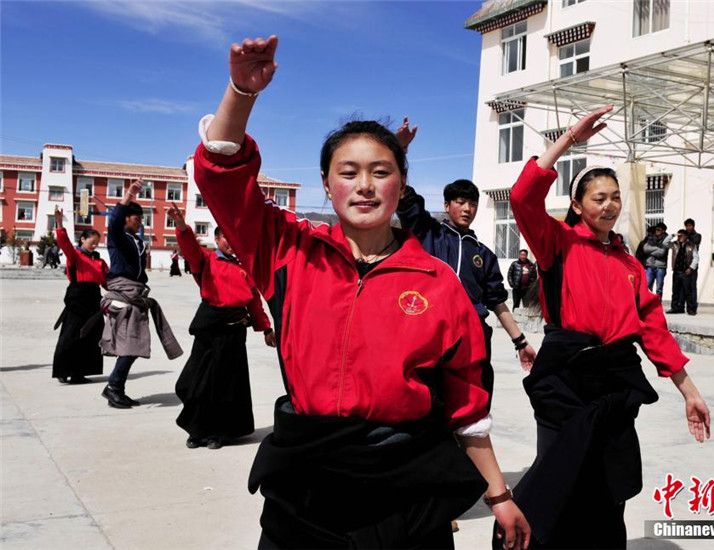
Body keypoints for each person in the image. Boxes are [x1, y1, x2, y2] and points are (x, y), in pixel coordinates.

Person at [193, 35, 530, 550]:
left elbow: (465, 404)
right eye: (348, 173)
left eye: (381, 172)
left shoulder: (438, 283)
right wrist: (241, 92)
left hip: (405, 485)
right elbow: (222, 177)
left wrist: (499, 495)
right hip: (307, 479)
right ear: (327, 186)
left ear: (401, 184)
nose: (365, 185)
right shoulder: (287, 250)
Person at [508, 105, 711, 549]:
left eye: (615, 196)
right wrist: (567, 142)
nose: (609, 205)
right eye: (598, 197)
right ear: (577, 206)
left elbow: (654, 332)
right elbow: (523, 198)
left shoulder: (630, 265)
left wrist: (689, 391)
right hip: (565, 383)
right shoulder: (555, 244)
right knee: (562, 485)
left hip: (615, 384)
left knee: (610, 486)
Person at [395, 119, 536, 407]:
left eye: (472, 203)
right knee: (425, 408)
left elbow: (498, 302)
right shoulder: (428, 233)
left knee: (474, 410)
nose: (468, 209)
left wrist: (520, 342)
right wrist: (400, 153)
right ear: (447, 206)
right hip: (426, 333)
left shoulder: (484, 255)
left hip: (472, 337)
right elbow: (404, 198)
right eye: (460, 202)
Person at [168, 204, 276, 450]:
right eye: (224, 236)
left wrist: (266, 329)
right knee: (196, 382)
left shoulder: (245, 268)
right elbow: (190, 249)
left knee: (224, 386)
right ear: (216, 239)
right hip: (209, 328)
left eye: (233, 237)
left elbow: (254, 302)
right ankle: (196, 430)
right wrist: (182, 226)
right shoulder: (206, 261)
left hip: (234, 333)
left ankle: (217, 432)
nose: (229, 242)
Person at [99, 180, 183, 409]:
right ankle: (113, 388)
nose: (140, 223)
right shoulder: (117, 238)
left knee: (133, 345)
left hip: (136, 293)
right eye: (137, 219)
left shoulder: (137, 241)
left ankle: (117, 387)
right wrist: (128, 194)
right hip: (123, 295)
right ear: (127, 218)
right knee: (131, 345)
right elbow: (114, 221)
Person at [51, 206, 108, 384]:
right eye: (92, 241)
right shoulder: (74, 255)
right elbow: (64, 242)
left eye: (97, 242)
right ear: (82, 239)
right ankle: (63, 371)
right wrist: (59, 222)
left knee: (91, 336)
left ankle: (80, 373)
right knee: (71, 334)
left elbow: (108, 281)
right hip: (77, 297)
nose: (95, 244)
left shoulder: (100, 261)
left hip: (94, 297)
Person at [666, 230, 699, 315]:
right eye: (678, 236)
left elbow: (696, 258)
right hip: (677, 271)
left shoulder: (691, 245)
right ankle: (675, 307)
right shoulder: (675, 245)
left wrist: (691, 268)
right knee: (675, 291)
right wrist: (673, 234)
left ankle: (691, 309)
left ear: (686, 236)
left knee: (688, 291)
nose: (679, 237)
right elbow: (664, 243)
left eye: (681, 236)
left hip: (685, 271)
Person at [643, 222, 670, 298]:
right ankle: (648, 304)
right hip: (650, 265)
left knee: (659, 288)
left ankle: (657, 306)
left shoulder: (666, 240)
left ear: (663, 231)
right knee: (647, 286)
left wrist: (651, 251)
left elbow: (662, 253)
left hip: (660, 267)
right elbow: (645, 249)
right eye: (656, 229)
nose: (656, 231)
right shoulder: (651, 238)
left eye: (658, 230)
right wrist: (656, 248)